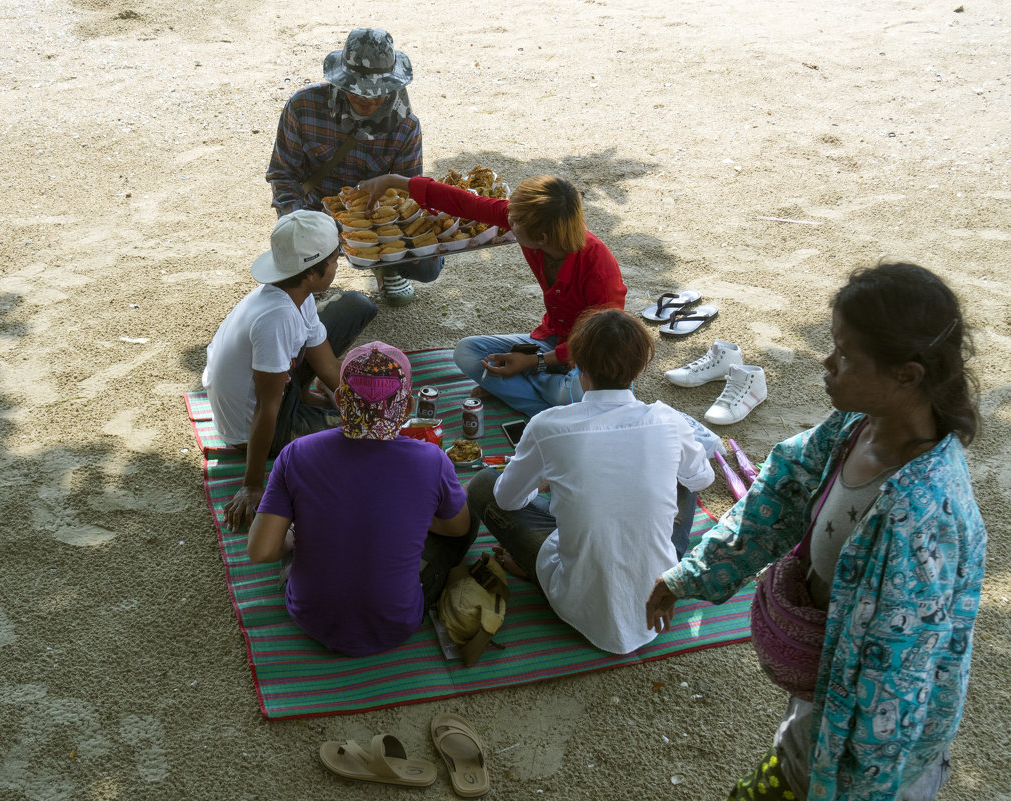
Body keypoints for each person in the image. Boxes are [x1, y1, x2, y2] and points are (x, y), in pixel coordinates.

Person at [646, 262, 987, 800]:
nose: (826, 365)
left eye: (846, 355)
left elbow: (897, 689)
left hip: (864, 767)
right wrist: (690, 575)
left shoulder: (922, 519)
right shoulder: (854, 430)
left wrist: (845, 785)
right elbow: (776, 497)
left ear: (908, 374)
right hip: (826, 707)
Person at [466, 309, 714, 654]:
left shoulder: (547, 425)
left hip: (578, 600)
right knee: (684, 477)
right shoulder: (668, 420)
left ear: (578, 367)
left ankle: (537, 568)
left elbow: (507, 501)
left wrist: (547, 483)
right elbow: (701, 479)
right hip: (660, 587)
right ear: (640, 367)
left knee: (482, 485)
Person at [246, 342, 478, 657]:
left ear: (340, 399)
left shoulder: (296, 454)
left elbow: (260, 551)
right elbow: (457, 528)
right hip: (395, 624)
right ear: (407, 408)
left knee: (301, 533)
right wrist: (406, 519)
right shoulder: (432, 461)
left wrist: (292, 537)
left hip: (310, 617)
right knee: (468, 516)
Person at [357, 172, 627, 416]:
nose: (508, 219)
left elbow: (601, 343)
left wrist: (532, 362)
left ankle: (530, 399)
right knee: (467, 352)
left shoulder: (598, 266)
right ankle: (549, 406)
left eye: (516, 220)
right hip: (553, 341)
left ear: (542, 237)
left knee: (578, 393)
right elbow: (464, 203)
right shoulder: (537, 229)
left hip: (589, 357)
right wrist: (394, 181)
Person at [203, 210, 376, 531]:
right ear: (312, 273)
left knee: (357, 306)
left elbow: (326, 364)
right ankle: (298, 415)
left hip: (275, 389)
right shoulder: (277, 318)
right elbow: (265, 408)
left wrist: (367, 401)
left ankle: (304, 399)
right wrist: (253, 484)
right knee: (367, 435)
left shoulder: (297, 292)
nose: (338, 264)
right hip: (256, 425)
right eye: (335, 260)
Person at [266, 28, 442, 306]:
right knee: (298, 283)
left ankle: (388, 266)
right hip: (316, 212)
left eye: (379, 92)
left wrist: (404, 233)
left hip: (376, 217)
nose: (369, 100)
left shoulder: (406, 124)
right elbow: (283, 174)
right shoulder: (302, 107)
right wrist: (297, 228)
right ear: (342, 81)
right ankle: (310, 276)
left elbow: (407, 191)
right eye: (358, 90)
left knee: (428, 265)